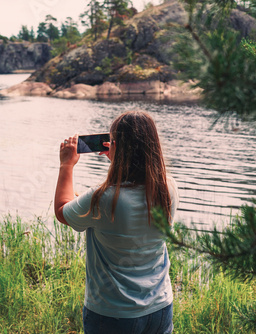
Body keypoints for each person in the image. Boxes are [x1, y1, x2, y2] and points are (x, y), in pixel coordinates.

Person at [54, 110, 179, 334]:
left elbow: (62, 211)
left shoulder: (102, 198)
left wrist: (66, 165)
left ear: (117, 147)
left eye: (113, 142)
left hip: (113, 314)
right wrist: (120, 161)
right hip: (159, 307)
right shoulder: (167, 188)